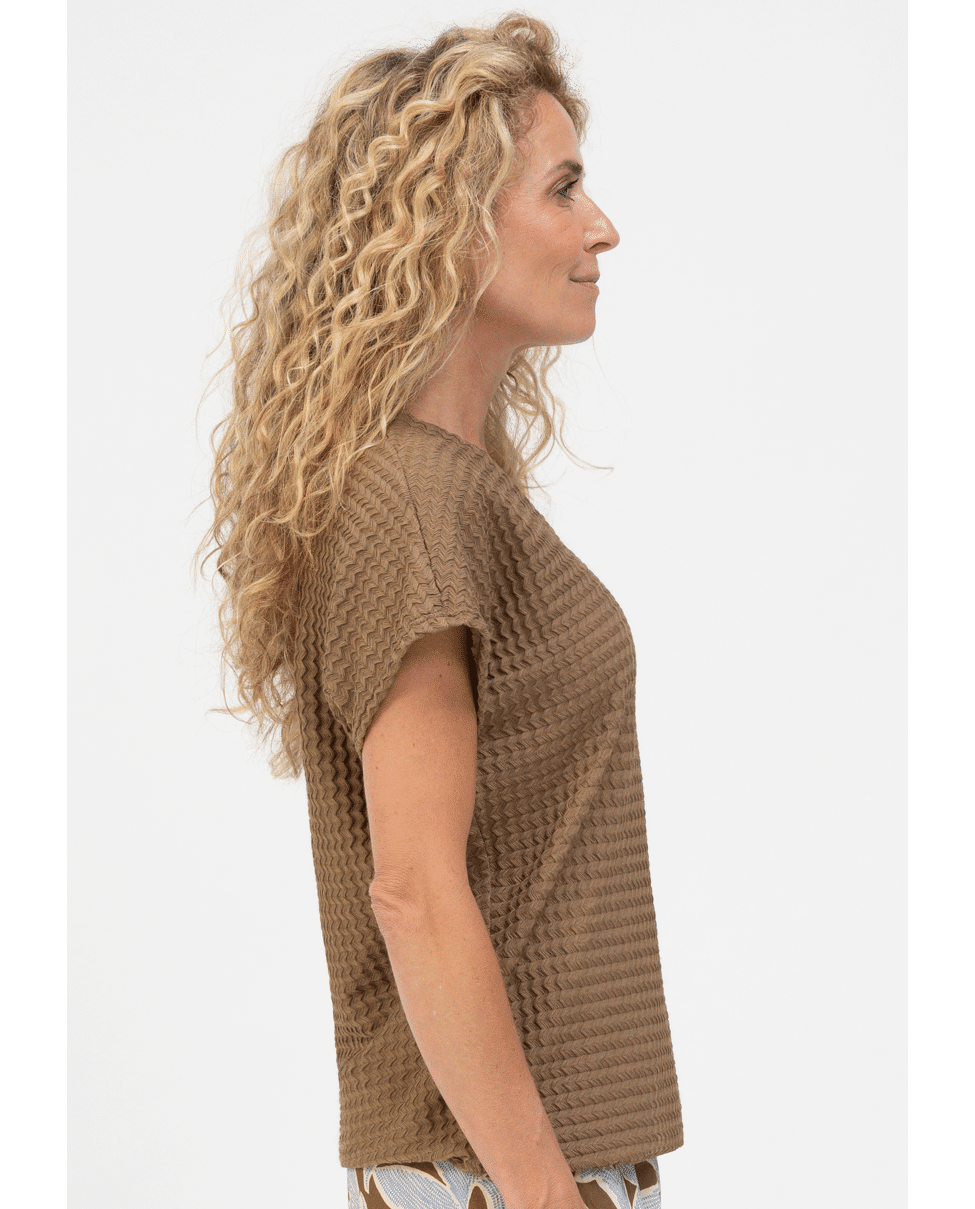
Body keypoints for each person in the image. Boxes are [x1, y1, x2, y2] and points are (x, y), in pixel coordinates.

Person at [197, 13, 682, 1209]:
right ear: (453, 227)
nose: (603, 226)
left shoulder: (444, 489)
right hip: (499, 1172)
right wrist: (547, 1195)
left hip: (510, 1162)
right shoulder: (414, 503)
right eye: (563, 189)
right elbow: (412, 891)